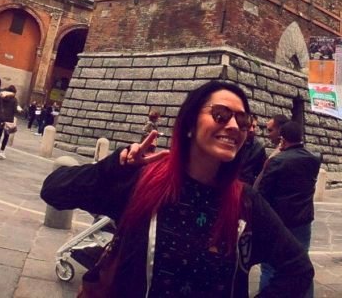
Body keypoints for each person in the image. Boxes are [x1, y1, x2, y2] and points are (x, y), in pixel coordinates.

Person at [40, 79, 313, 296]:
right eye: (220, 115)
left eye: (242, 122)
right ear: (190, 125)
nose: (233, 126)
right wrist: (116, 166)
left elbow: (298, 269)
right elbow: (54, 190)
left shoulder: (246, 202)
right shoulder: (141, 182)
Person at [256, 120, 320, 297]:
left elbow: (260, 191)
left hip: (278, 221)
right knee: (302, 262)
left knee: (270, 266)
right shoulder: (315, 158)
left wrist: (269, 161)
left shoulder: (276, 161)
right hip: (303, 220)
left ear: (282, 139)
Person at [0, 84, 18, 159]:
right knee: (6, 136)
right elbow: (15, 110)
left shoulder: (1, 98)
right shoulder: (14, 100)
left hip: (0, 118)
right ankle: (2, 151)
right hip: (9, 120)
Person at [237, 119, 267, 184]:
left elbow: (260, 171)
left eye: (254, 126)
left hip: (246, 185)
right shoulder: (234, 142)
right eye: (249, 126)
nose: (251, 130)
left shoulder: (258, 147)